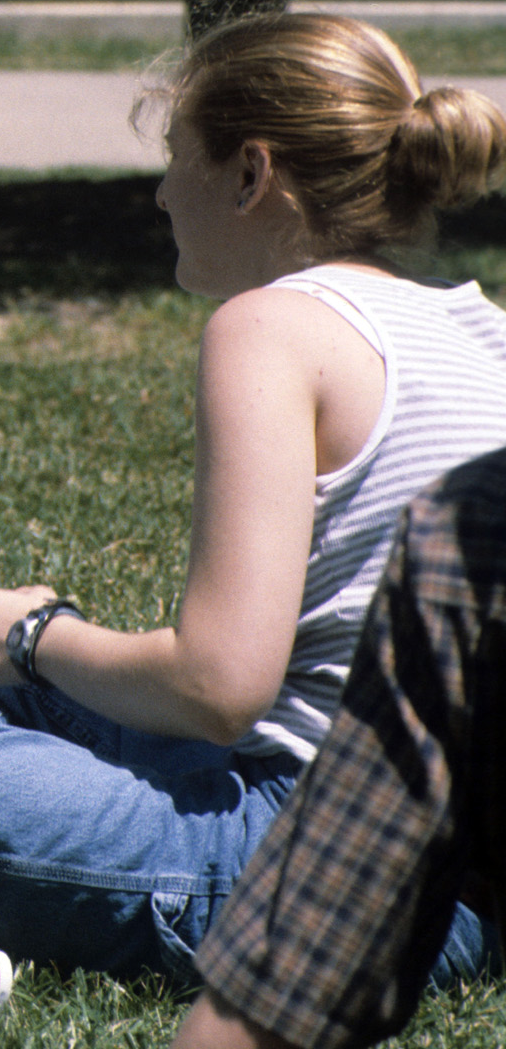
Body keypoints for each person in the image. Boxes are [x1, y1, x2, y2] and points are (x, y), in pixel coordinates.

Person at [0, 11, 506, 983]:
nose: (161, 191)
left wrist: (36, 633)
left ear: (250, 174)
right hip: (459, 875)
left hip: (314, 878)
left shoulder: (272, 327)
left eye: (177, 154)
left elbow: (218, 686)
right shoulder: (481, 331)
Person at [172, 447, 506, 1049]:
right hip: (420, 868)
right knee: (9, 704)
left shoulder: (475, 529)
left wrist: (32, 638)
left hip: (327, 823)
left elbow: (221, 688)